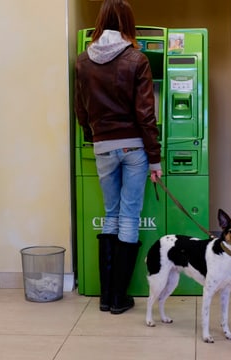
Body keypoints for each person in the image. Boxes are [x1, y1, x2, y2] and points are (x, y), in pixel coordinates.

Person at [74, 0, 162, 315]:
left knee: (111, 213)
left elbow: (81, 109)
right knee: (129, 216)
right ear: (127, 22)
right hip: (134, 147)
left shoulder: (83, 60)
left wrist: (94, 138)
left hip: (102, 147)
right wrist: (155, 158)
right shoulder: (136, 59)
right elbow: (146, 114)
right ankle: (119, 298)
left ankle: (106, 297)